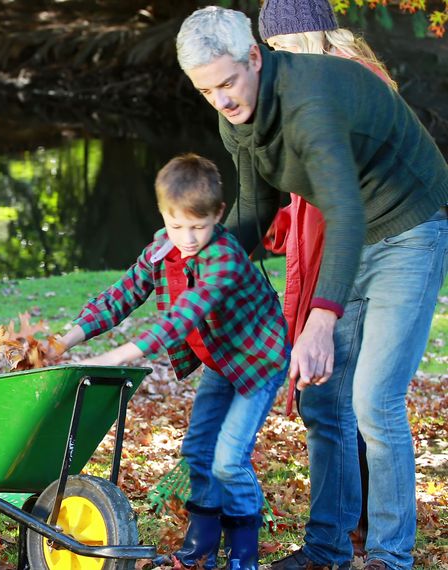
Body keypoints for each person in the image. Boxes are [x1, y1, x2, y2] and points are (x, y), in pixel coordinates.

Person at [176, 7, 448, 570]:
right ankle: (326, 548)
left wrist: (320, 319)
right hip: (355, 233)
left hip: (409, 227)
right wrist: (196, 267)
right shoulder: (239, 114)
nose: (222, 101)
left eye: (227, 84)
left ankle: (389, 557)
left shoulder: (310, 101)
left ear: (256, 56)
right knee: (325, 399)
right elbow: (253, 208)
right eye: (207, 91)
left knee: (374, 400)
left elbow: (343, 211)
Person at [55, 153, 288, 570]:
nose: (189, 237)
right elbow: (120, 296)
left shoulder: (225, 257)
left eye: (199, 226)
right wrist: (65, 340)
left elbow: (182, 318)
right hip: (222, 362)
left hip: (258, 365)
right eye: (177, 225)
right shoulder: (162, 248)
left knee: (229, 460)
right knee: (198, 451)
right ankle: (200, 547)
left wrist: (117, 356)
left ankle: (244, 556)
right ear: (164, 214)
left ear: (219, 213)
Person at [256, 0, 400, 561]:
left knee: (330, 402)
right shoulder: (351, 75)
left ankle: (331, 547)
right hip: (351, 253)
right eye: (276, 54)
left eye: (287, 48)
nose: (283, 63)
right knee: (351, 406)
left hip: (357, 261)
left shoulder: (342, 83)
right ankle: (353, 534)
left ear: (312, 34)